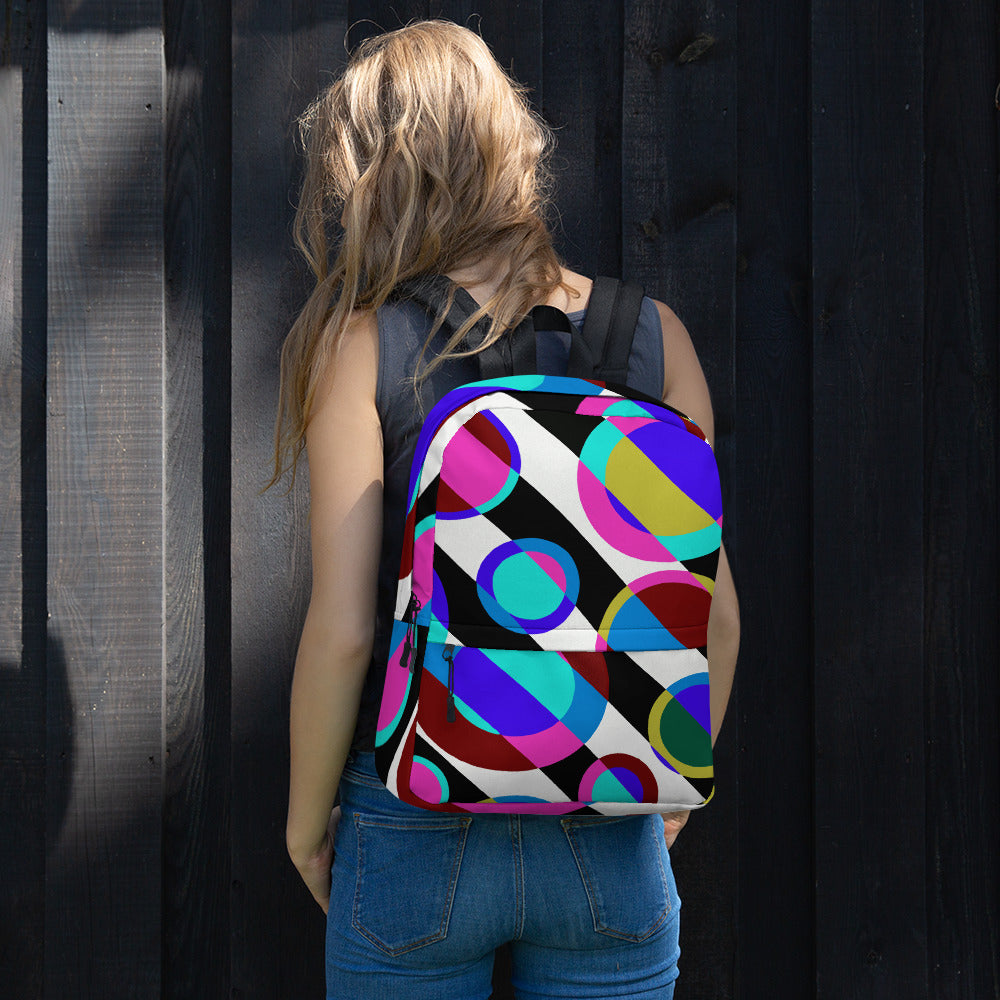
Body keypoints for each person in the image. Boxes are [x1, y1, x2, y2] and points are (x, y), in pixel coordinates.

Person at [274, 20, 740, 1000]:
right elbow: (716, 614)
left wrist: (306, 825)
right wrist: (670, 795)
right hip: (608, 814)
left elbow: (348, 628)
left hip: (414, 811)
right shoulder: (657, 336)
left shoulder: (362, 344)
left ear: (377, 177)